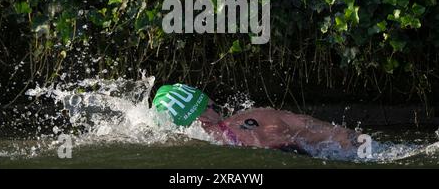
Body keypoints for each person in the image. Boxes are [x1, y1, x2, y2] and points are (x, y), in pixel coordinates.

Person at [152, 83, 361, 157]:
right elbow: (311, 126)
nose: (214, 104)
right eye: (208, 105)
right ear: (203, 118)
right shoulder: (260, 116)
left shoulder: (185, 145)